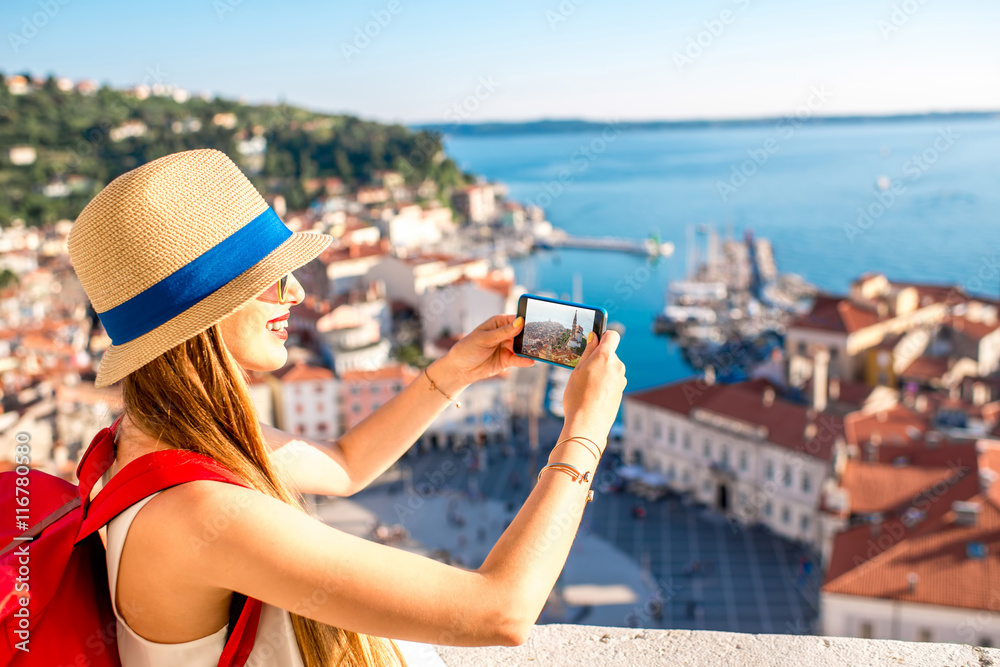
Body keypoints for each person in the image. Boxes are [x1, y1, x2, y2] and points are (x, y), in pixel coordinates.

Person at [72, 149, 627, 666]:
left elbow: (345, 463)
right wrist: (586, 428)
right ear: (204, 310)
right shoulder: (196, 509)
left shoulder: (159, 438)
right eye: (269, 277)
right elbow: (500, 612)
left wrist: (456, 369)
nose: (295, 294)